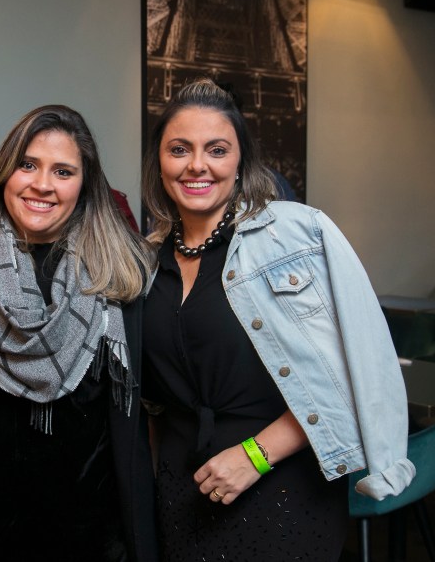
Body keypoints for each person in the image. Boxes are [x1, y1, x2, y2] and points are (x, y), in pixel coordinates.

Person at [140, 78, 414, 561]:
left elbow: (354, 369)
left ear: (240, 160)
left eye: (217, 149)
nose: (197, 165)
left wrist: (254, 456)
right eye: (179, 149)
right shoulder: (145, 260)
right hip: (182, 492)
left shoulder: (297, 234)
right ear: (159, 162)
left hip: (281, 489)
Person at [0, 104, 157, 561]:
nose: (42, 184)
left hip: (92, 534)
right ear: (3, 172)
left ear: (85, 184)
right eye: (28, 164)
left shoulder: (119, 273)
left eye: (63, 171)